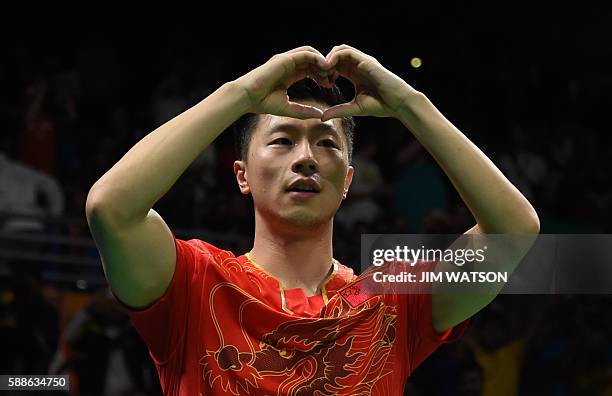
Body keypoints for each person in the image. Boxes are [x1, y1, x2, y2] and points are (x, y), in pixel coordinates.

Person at [86, 45, 540, 395]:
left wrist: (408, 103)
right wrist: (240, 94)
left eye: (326, 143)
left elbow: (513, 230)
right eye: (282, 140)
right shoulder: (192, 283)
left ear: (347, 181)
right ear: (241, 175)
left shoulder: (394, 302)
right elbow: (112, 208)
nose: (305, 158)